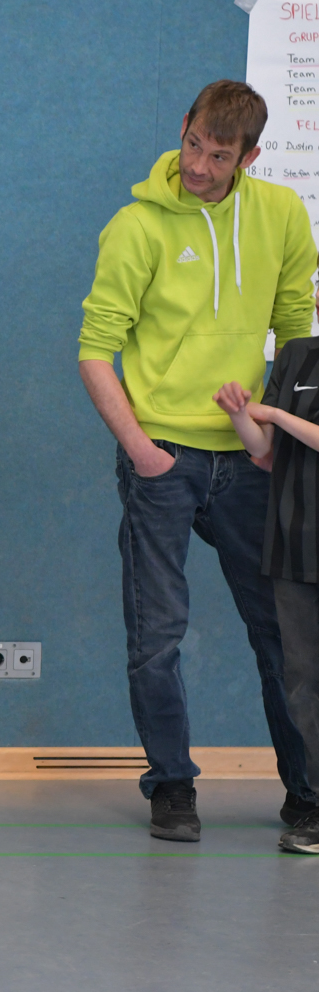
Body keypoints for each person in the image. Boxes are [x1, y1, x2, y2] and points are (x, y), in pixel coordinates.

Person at [78, 80, 318, 841]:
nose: (199, 167)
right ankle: (172, 785)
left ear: (250, 156)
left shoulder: (281, 214)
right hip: (163, 457)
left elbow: (296, 331)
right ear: (182, 127)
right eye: (193, 146)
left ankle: (308, 791)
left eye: (219, 156)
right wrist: (141, 450)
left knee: (283, 634)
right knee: (157, 635)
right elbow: (95, 350)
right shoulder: (137, 225)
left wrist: (273, 437)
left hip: (251, 460)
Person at [214, 342, 319, 854]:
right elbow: (265, 453)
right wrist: (240, 414)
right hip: (293, 547)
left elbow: (283, 424)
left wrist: (274, 413)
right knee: (302, 683)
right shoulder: (296, 357)